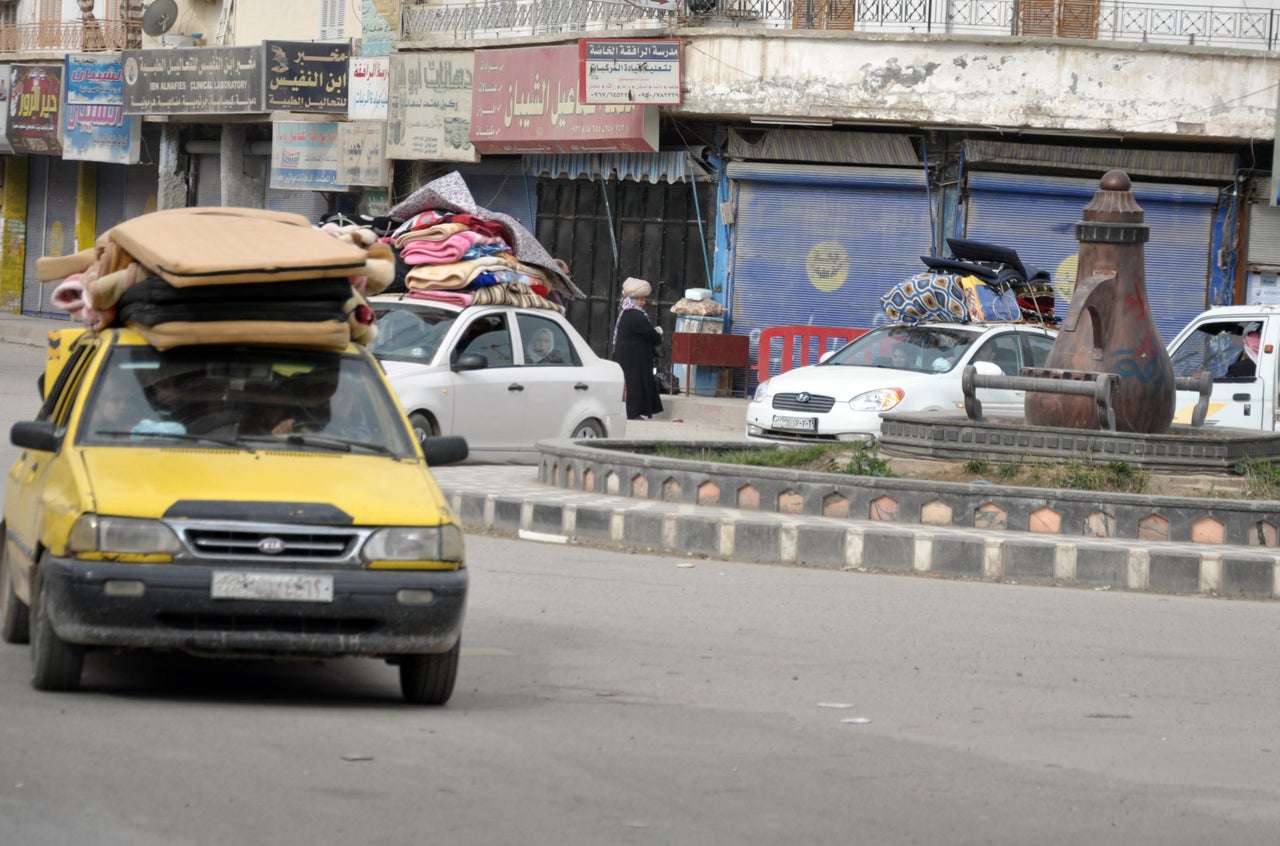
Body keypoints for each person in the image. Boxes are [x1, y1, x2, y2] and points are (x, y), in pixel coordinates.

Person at [611, 276, 664, 420]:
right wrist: (658, 335)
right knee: (634, 384)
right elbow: (650, 334)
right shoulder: (634, 315)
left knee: (633, 383)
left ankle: (633, 411)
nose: (643, 302)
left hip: (631, 358)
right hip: (633, 359)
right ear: (634, 300)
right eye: (641, 299)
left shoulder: (628, 314)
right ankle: (632, 412)